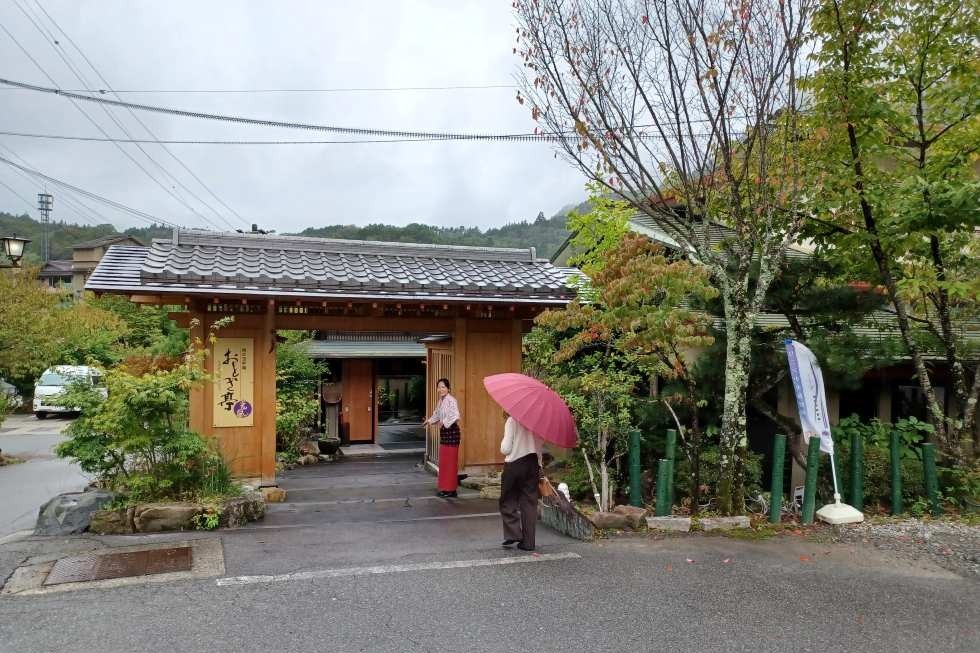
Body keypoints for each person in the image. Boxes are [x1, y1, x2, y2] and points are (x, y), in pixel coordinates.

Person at [499, 414, 545, 551]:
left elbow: (506, 448)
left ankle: (514, 533)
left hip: (514, 463)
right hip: (533, 464)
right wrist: (540, 466)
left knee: (507, 499)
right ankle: (528, 543)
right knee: (529, 503)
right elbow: (539, 447)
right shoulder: (538, 421)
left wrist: (502, 445)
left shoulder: (513, 420)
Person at [427, 378, 461, 498]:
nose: (441, 389)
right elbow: (437, 414)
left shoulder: (452, 400)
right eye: (439, 387)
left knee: (451, 462)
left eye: (443, 387)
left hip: (452, 432)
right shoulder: (441, 401)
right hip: (445, 433)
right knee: (445, 461)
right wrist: (429, 421)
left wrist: (444, 422)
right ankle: (446, 488)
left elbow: (456, 415)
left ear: (448, 388)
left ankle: (451, 490)